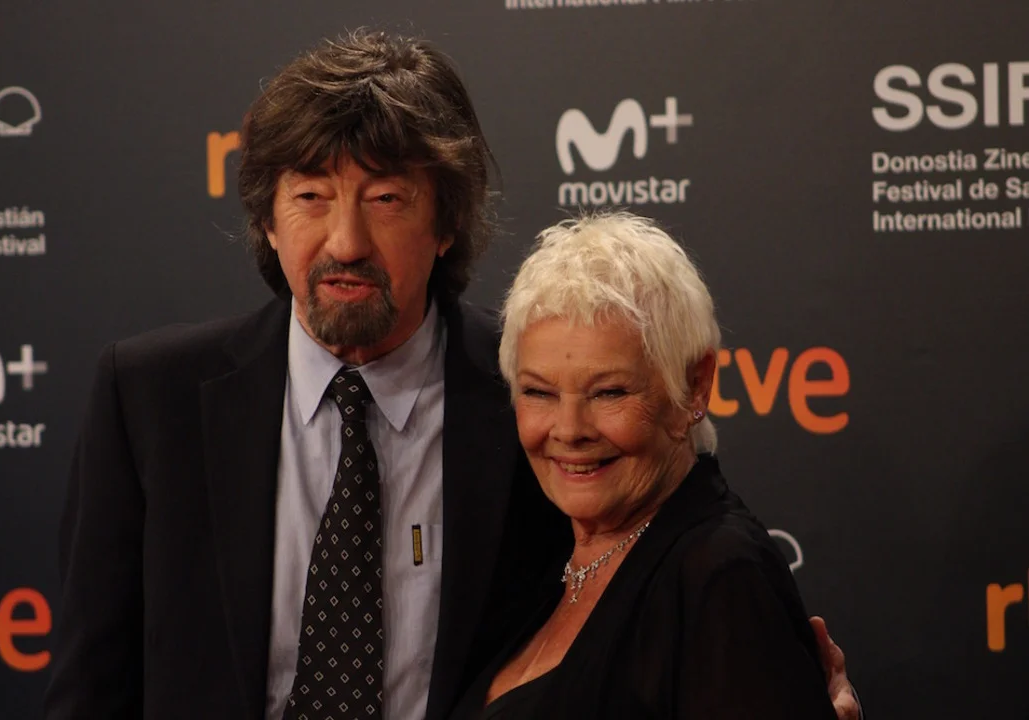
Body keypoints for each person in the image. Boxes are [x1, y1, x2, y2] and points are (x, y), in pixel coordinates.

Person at [43, 30, 860, 720]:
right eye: (311, 196)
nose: (345, 241)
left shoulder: (533, 403)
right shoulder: (149, 399)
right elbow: (90, 688)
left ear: (446, 222)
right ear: (268, 218)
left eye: (386, 199)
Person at [448, 212, 842, 719]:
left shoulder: (719, 576)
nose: (569, 430)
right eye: (539, 392)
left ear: (694, 387)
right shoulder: (549, 562)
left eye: (609, 392)